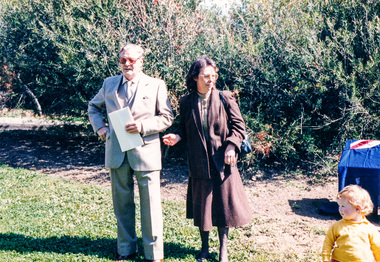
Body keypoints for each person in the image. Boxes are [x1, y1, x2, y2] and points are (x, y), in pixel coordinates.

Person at [162, 55, 252, 262]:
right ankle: (204, 247)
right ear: (195, 77)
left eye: (214, 76)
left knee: (223, 207)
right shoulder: (186, 102)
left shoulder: (225, 97)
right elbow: (184, 128)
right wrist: (176, 136)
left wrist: (231, 145)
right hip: (198, 163)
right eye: (206, 76)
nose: (211, 80)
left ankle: (223, 250)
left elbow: (239, 128)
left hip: (223, 163)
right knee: (203, 207)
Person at [88, 43, 173, 262]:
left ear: (141, 61)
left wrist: (143, 127)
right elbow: (93, 107)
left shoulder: (156, 85)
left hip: (146, 153)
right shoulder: (109, 84)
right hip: (117, 153)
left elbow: (166, 117)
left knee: (151, 205)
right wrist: (100, 128)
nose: (127, 64)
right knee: (122, 204)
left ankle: (154, 254)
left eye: (132, 60)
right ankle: (125, 250)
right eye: (123, 60)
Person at [322, 184, 380, 262]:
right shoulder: (337, 226)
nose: (340, 209)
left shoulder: (369, 228)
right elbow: (328, 243)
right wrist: (326, 259)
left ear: (358, 209)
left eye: (343, 206)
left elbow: (377, 248)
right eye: (339, 205)